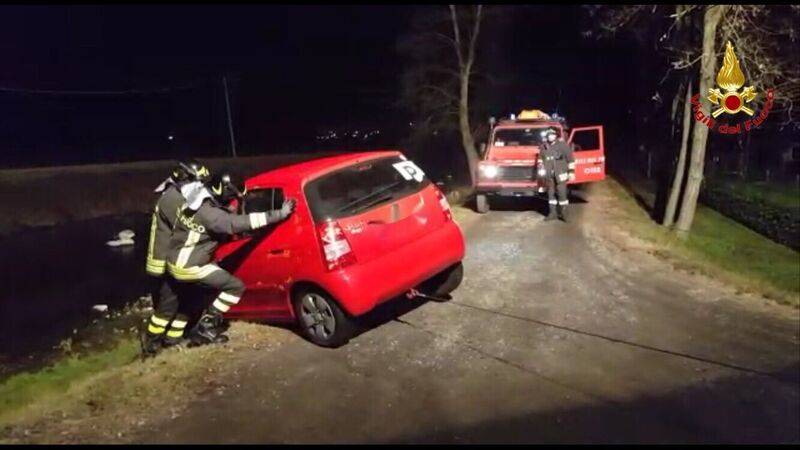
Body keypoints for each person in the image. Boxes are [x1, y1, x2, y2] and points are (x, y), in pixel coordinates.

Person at [165, 173, 296, 346]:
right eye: (232, 197)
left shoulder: (195, 198)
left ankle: (171, 339)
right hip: (189, 265)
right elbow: (239, 223)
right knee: (235, 287)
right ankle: (206, 327)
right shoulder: (212, 215)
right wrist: (279, 214)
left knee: (192, 299)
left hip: (175, 259)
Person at [141, 159, 212, 357]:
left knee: (187, 301)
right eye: (197, 182)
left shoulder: (179, 196)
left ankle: (172, 340)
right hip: (164, 264)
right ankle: (151, 346)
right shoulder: (171, 199)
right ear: (183, 178)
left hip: (176, 260)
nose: (199, 188)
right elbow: (191, 222)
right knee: (166, 308)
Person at [537, 128, 576, 222]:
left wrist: (571, 172)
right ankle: (552, 214)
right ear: (547, 136)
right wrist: (541, 166)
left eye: (552, 135)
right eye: (549, 135)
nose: (550, 137)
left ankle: (564, 214)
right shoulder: (544, 147)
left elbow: (571, 160)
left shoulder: (563, 145)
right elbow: (540, 159)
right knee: (551, 195)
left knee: (562, 194)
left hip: (561, 175)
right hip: (549, 177)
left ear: (556, 135)